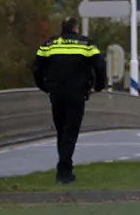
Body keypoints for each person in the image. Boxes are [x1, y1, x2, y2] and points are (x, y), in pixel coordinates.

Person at [32, 16, 108, 184]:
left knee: (61, 130)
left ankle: (65, 166)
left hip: (56, 93)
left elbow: (36, 68)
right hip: (77, 93)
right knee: (70, 131)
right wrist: (99, 86)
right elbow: (100, 66)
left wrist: (44, 86)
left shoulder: (49, 45)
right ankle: (64, 171)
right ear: (76, 29)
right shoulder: (86, 44)